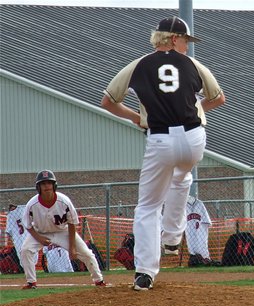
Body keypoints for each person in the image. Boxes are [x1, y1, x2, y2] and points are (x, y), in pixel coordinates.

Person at [101, 16, 225, 290]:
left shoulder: (139, 65)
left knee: (147, 206)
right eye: (184, 40)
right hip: (194, 137)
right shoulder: (193, 64)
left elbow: (108, 101)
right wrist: (196, 109)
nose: (187, 46)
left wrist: (136, 118)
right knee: (182, 177)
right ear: (171, 38)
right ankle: (172, 236)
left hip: (159, 138)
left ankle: (145, 272)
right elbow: (218, 97)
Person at [20, 170, 106, 289]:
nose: (47, 186)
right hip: (41, 232)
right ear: (38, 187)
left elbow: (72, 223)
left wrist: (72, 248)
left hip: (63, 231)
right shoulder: (32, 204)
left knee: (87, 254)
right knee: (25, 250)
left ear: (54, 186)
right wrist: (39, 238)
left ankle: (99, 280)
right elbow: (28, 225)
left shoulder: (64, 201)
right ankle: (31, 282)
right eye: (43, 184)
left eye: (49, 183)